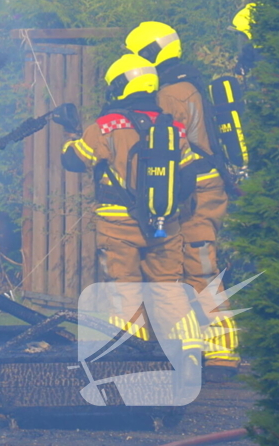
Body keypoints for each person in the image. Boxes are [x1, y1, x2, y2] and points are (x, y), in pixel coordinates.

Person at [60, 54, 201, 353]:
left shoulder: (107, 126)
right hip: (165, 222)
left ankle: (132, 355)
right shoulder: (173, 127)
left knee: (124, 290)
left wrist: (70, 137)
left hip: (117, 224)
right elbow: (190, 176)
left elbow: (74, 160)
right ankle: (187, 351)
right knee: (170, 289)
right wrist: (167, 208)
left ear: (121, 86)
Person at [124, 22, 239, 380]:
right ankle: (201, 348)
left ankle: (220, 353)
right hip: (203, 188)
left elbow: (167, 147)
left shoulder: (171, 94)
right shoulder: (193, 83)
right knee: (191, 267)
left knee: (198, 267)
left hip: (195, 192)